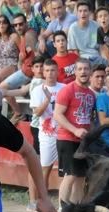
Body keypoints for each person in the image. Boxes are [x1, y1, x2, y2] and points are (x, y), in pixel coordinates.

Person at [53, 58, 95, 205]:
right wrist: (75, 130)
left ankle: (75, 210)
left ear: (90, 71)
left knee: (81, 177)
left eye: (86, 69)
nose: (83, 72)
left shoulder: (91, 94)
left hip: (83, 141)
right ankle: (62, 210)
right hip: (67, 138)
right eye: (80, 69)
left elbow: (90, 118)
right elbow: (57, 114)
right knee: (70, 175)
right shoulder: (67, 90)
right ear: (75, 72)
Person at [30, 58, 64, 193]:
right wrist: (47, 100)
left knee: (64, 170)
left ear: (57, 72)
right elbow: (37, 113)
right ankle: (44, 199)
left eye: (53, 70)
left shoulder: (64, 88)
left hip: (63, 133)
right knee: (45, 168)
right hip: (46, 135)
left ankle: (64, 203)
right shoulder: (38, 90)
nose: (50, 73)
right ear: (43, 72)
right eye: (47, 70)